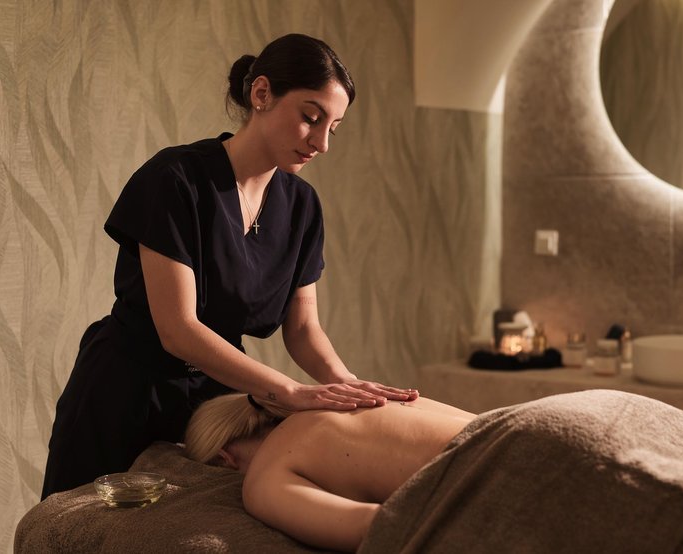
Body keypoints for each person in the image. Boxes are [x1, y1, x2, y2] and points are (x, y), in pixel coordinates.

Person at [41, 33, 417, 500]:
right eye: (310, 118)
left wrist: (351, 388)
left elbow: (303, 329)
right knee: (78, 525)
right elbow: (178, 330)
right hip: (123, 393)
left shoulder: (302, 206)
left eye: (333, 128)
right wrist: (288, 392)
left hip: (214, 404)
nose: (321, 143)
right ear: (261, 93)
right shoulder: (175, 178)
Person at [184, 393, 476, 552]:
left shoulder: (263, 477)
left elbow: (381, 528)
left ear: (224, 458)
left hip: (485, 473)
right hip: (501, 425)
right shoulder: (355, 396)